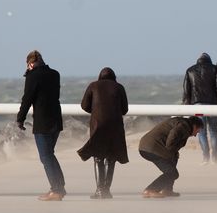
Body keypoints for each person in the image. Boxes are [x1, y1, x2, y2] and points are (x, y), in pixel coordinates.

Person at [17, 50, 65, 201]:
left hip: (43, 121)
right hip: (56, 120)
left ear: (30, 64)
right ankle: (59, 187)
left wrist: (20, 118)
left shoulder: (33, 76)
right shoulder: (55, 74)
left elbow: (27, 99)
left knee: (46, 157)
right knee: (50, 154)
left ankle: (57, 190)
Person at [77, 67, 129, 199]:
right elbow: (125, 109)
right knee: (111, 158)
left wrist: (96, 111)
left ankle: (99, 190)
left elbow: (84, 106)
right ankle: (107, 190)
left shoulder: (93, 86)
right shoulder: (119, 87)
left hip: (97, 125)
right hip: (115, 126)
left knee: (98, 157)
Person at [138, 116, 204, 198]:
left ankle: (167, 190)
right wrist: (172, 151)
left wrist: (174, 153)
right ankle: (150, 190)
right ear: (194, 126)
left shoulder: (182, 123)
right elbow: (171, 140)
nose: (195, 135)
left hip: (148, 146)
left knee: (173, 161)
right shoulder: (183, 126)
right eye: (197, 131)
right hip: (152, 148)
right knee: (172, 173)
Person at [183, 52, 217, 164]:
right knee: (213, 130)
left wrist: (188, 104)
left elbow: (186, 90)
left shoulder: (190, 70)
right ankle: (215, 158)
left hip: (197, 105)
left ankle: (205, 158)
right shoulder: (214, 69)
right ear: (209, 60)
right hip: (212, 105)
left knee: (201, 131)